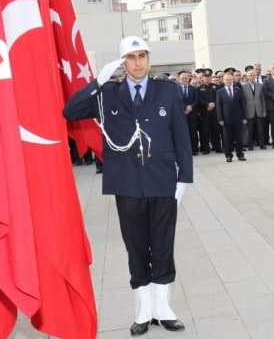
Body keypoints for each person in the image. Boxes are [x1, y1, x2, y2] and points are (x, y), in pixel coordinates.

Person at [63, 36, 191, 335]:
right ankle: (144, 311)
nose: (137, 63)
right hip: (127, 183)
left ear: (149, 59)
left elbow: (180, 135)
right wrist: (98, 81)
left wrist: (184, 176)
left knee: (163, 245)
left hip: (162, 181)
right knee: (135, 247)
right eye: (131, 57)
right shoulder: (108, 93)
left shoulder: (167, 90)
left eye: (142, 56)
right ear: (123, 62)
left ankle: (164, 308)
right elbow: (70, 111)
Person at [216, 73, 248, 162]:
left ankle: (240, 154)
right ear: (223, 81)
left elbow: (243, 104)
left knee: (239, 138)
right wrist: (220, 119)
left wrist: (244, 117)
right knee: (227, 139)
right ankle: (228, 155)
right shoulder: (219, 92)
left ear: (232, 80)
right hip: (226, 120)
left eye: (230, 79)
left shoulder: (238, 90)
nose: (228, 81)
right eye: (226, 80)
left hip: (238, 118)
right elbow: (219, 106)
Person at [242, 67, 267, 150]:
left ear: (255, 76)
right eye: (250, 75)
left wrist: (264, 111)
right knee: (250, 130)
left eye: (253, 75)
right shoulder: (243, 86)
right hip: (249, 112)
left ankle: (262, 144)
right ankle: (250, 145)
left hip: (259, 111)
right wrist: (244, 114)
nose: (252, 77)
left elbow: (263, 99)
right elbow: (243, 101)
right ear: (247, 76)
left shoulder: (260, 85)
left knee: (261, 130)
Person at [177, 70, 199, 156]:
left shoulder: (193, 88)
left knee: (193, 132)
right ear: (179, 79)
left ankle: (194, 149)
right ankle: (184, 150)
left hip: (192, 113)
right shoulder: (176, 89)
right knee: (183, 133)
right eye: (183, 78)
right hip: (181, 114)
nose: (184, 79)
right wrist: (185, 107)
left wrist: (191, 107)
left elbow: (196, 100)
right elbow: (176, 101)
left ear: (189, 78)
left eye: (186, 78)